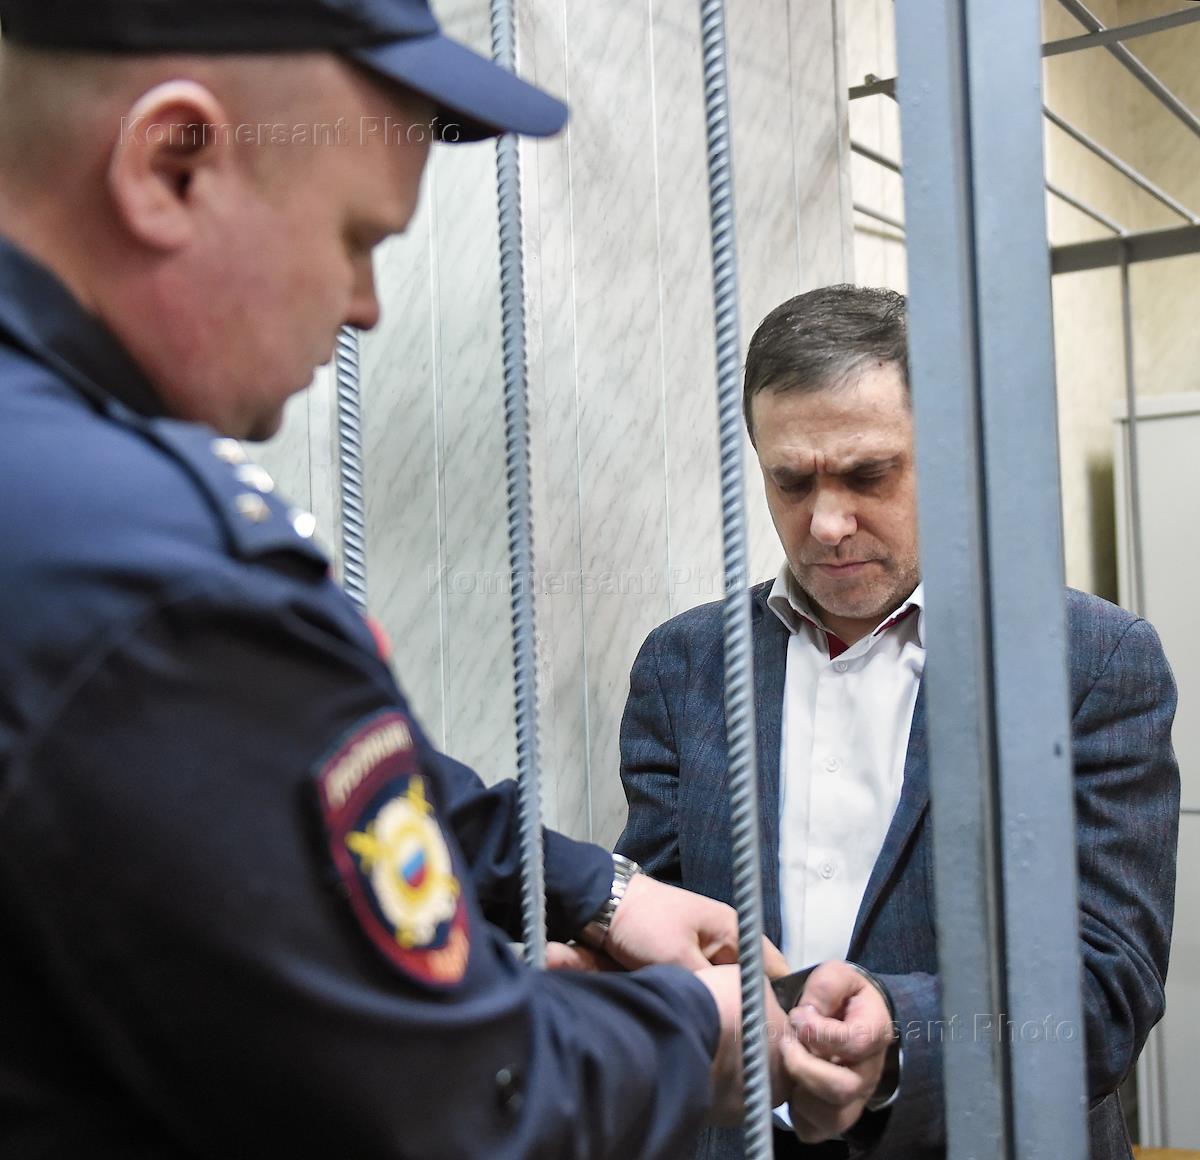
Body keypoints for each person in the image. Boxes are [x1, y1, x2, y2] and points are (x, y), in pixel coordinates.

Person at [0, 4, 891, 1155]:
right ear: (172, 167)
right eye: (356, 240)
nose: (365, 304)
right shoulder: (155, 570)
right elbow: (452, 1103)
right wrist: (695, 1028)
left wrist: (598, 889)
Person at [617, 284, 1181, 1160]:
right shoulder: (684, 664)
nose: (826, 523)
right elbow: (655, 930)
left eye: (868, 475)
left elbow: (1109, 988)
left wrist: (896, 1042)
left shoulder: (1086, 663)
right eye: (791, 481)